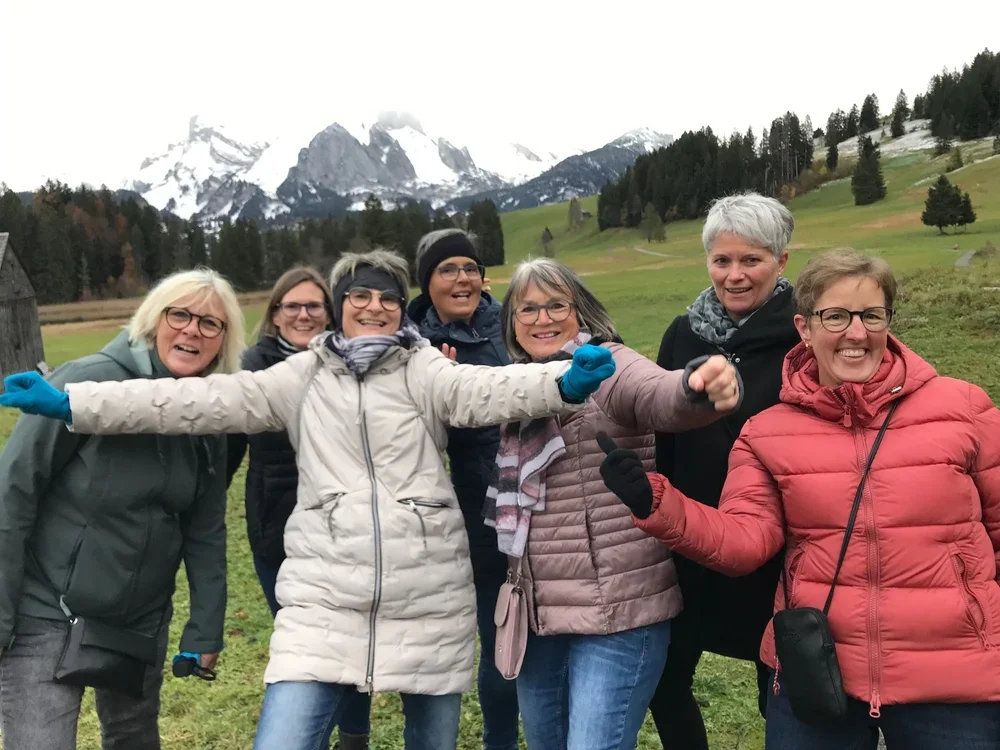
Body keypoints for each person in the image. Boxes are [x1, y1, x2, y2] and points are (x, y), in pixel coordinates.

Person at [0, 249, 618, 750]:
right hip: (323, 596)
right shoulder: (301, 376)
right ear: (340, 305)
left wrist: (560, 381)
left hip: (427, 591)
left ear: (400, 310)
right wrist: (75, 403)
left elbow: (487, 390)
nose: (372, 307)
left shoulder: (424, 368)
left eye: (386, 298)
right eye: (358, 295)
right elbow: (195, 401)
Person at [601, 250, 1000, 749]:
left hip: (955, 677)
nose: (856, 333)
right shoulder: (767, 432)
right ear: (805, 328)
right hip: (818, 670)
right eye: (835, 316)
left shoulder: (964, 408)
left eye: (871, 315)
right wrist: (656, 502)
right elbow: (745, 541)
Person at [493, 258, 743, 750]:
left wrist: (695, 386)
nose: (542, 319)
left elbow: (654, 393)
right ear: (512, 325)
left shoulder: (604, 363)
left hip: (618, 609)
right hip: (538, 616)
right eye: (528, 310)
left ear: (581, 311)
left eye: (556, 305)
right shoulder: (511, 388)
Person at [0, 268, 243, 750]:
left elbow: (206, 528)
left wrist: (205, 626)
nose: (193, 330)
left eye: (211, 324)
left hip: (139, 620)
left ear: (223, 341)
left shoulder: (209, 416)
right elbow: (13, 495)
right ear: (154, 320)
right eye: (181, 315)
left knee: (133, 738)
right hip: (46, 610)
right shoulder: (86, 382)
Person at [649, 192, 801, 747]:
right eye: (722, 260)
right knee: (664, 679)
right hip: (688, 535)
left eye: (752, 260)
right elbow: (660, 428)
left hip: (779, 543)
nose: (734, 275)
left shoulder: (805, 336)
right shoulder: (681, 333)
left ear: (782, 261)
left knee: (782, 689)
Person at [225, 266, 372, 750]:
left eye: (314, 306)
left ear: (329, 313)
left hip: (344, 532)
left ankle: (354, 737)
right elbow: (226, 447)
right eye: (293, 305)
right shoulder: (253, 365)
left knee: (350, 645)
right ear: (275, 314)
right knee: (304, 650)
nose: (304, 314)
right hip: (277, 531)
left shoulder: (351, 360)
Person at [406, 228, 520, 750]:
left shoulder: (514, 319)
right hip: (475, 511)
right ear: (426, 281)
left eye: (470, 268)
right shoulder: (412, 344)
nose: (462, 279)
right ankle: (499, 739)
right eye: (447, 269)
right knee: (499, 635)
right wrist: (439, 393)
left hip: (540, 498)